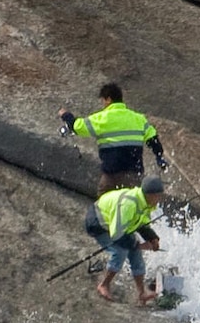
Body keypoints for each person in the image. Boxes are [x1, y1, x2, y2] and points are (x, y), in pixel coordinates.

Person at [58, 82, 169, 195]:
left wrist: (66, 115)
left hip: (112, 175)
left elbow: (77, 126)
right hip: (134, 176)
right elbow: (153, 138)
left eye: (103, 101)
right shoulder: (138, 119)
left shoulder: (102, 118)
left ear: (108, 99)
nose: (103, 105)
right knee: (132, 206)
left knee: (103, 206)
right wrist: (159, 156)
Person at [83, 175, 165, 305]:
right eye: (158, 196)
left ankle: (141, 293)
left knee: (136, 254)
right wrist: (138, 245)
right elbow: (116, 235)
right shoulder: (128, 204)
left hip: (117, 226)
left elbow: (141, 224)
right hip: (98, 223)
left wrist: (152, 238)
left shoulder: (145, 203)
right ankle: (104, 285)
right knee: (120, 251)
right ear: (149, 195)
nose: (159, 199)